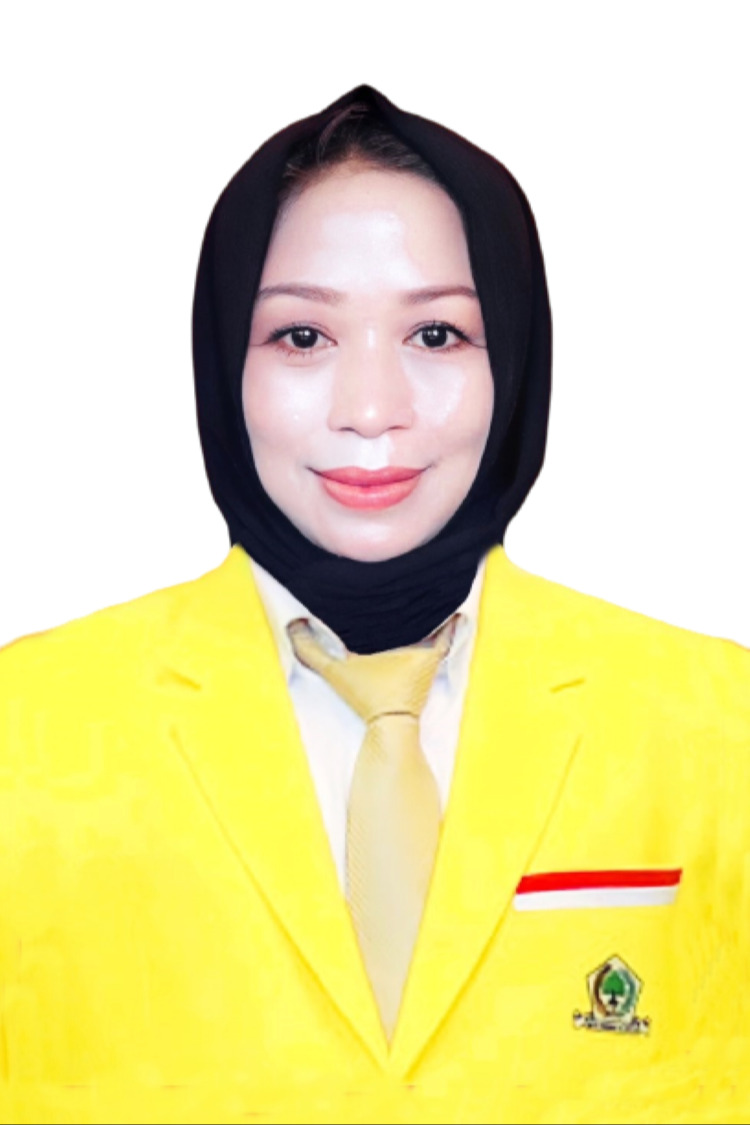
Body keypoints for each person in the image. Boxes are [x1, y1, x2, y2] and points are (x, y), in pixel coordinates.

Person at [0, 84, 748, 1125]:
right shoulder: (26, 725)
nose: (369, 411)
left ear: (517, 356)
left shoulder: (715, 721)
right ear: (222, 361)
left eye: (436, 334)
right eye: (303, 337)